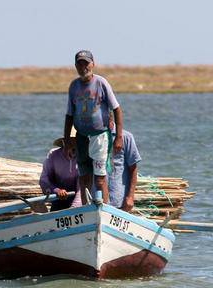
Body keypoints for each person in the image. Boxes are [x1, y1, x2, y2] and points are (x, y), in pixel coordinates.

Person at [64, 50, 123, 206]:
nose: (83, 67)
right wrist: (68, 139)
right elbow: (70, 115)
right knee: (84, 177)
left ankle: (102, 208)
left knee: (100, 177)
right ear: (76, 66)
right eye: (80, 63)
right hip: (81, 136)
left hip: (100, 136)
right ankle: (85, 209)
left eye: (86, 63)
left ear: (93, 64)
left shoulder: (101, 83)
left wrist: (119, 137)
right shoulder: (74, 86)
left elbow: (116, 109)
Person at [39, 127, 80, 211]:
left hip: (80, 202)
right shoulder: (53, 155)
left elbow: (82, 188)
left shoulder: (83, 157)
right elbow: (44, 180)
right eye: (69, 140)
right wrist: (57, 190)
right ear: (64, 141)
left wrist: (74, 208)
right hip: (58, 199)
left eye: (75, 140)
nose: (72, 143)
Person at [107, 117, 141, 212]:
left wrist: (130, 197)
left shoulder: (126, 137)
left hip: (118, 201)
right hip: (98, 200)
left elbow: (133, 169)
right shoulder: (94, 137)